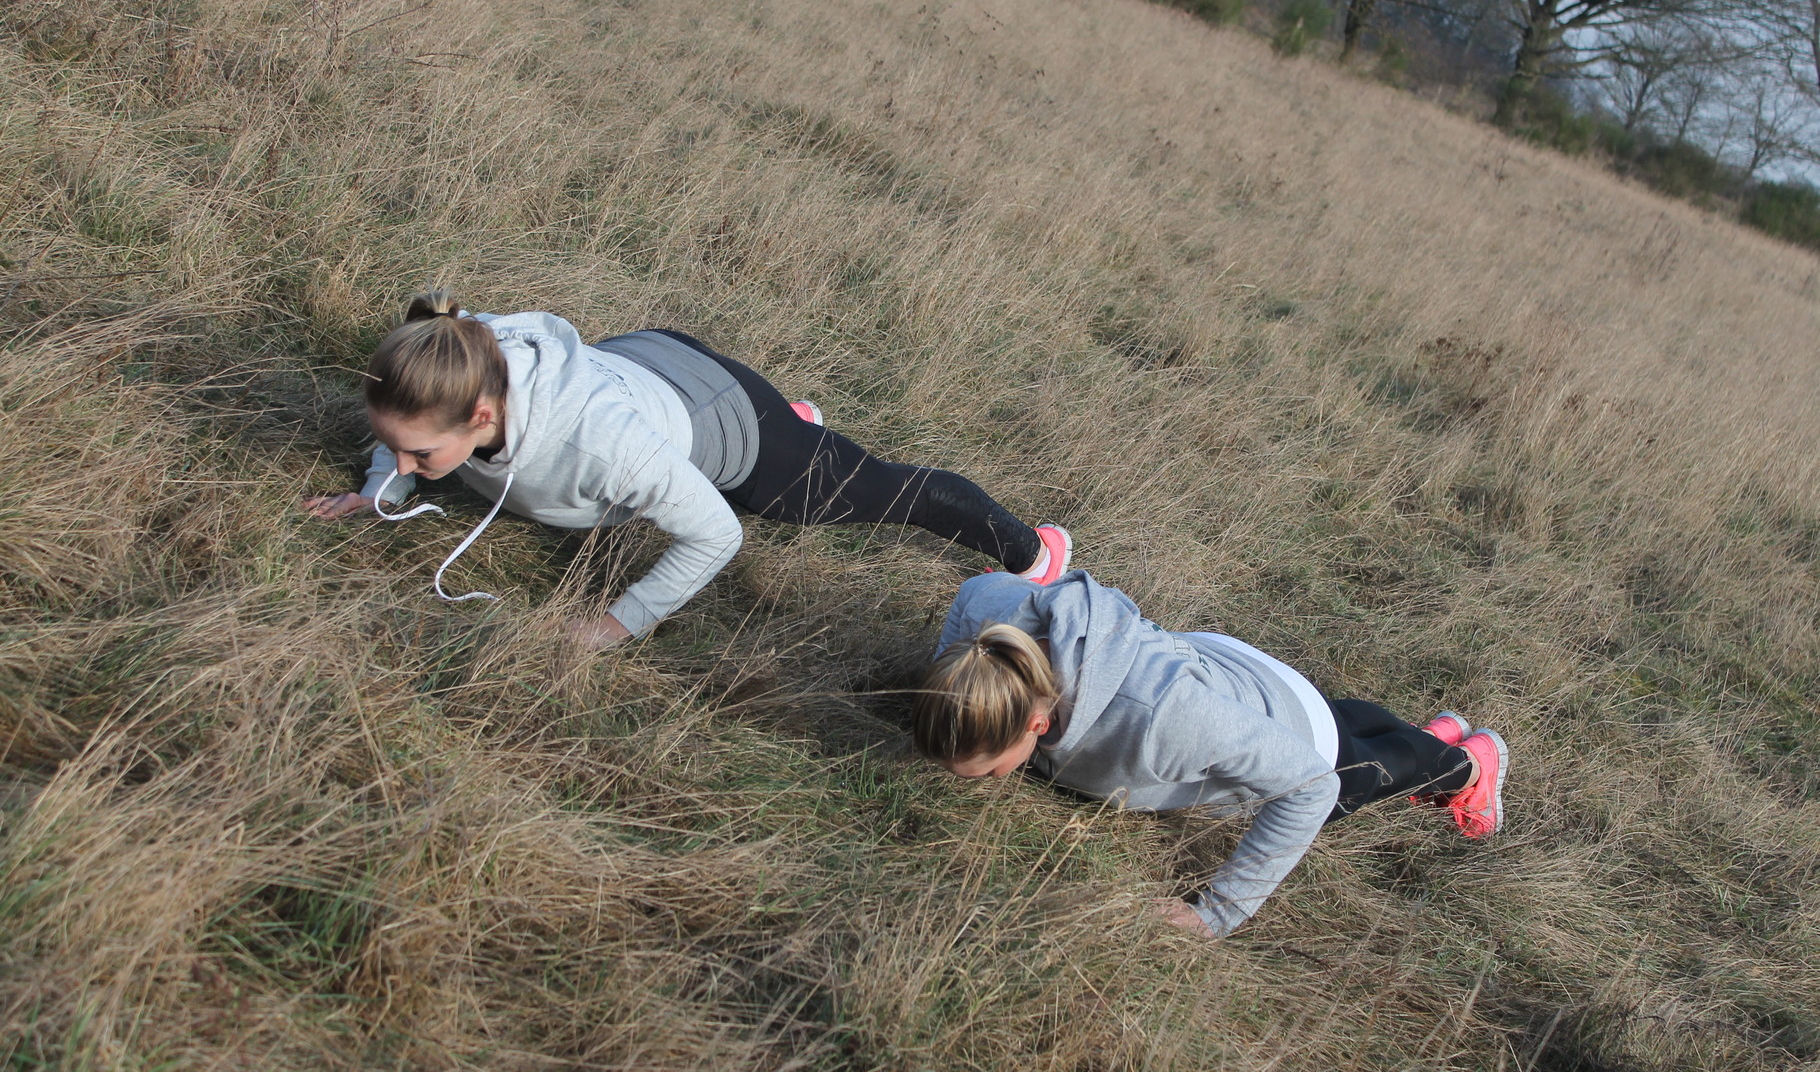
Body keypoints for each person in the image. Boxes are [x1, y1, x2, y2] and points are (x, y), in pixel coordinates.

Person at [302, 291, 1072, 645]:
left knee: (862, 491)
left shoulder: (601, 445)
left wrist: (613, 624)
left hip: (722, 418)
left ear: (479, 417)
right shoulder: (453, 356)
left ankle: (1033, 551)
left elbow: (714, 535)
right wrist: (380, 490)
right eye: (394, 446)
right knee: (796, 455)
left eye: (418, 454)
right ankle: (799, 430)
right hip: (647, 366)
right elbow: (402, 433)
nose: (405, 463)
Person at [911, 570, 1507, 938]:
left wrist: (1216, 914)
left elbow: (1308, 786)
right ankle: (1439, 730)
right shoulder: (989, 631)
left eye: (988, 770)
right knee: (1337, 718)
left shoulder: (1159, 719)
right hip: (1218, 669)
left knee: (1348, 775)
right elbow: (972, 590)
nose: (984, 783)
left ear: (1038, 721)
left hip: (1277, 720)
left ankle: (1468, 764)